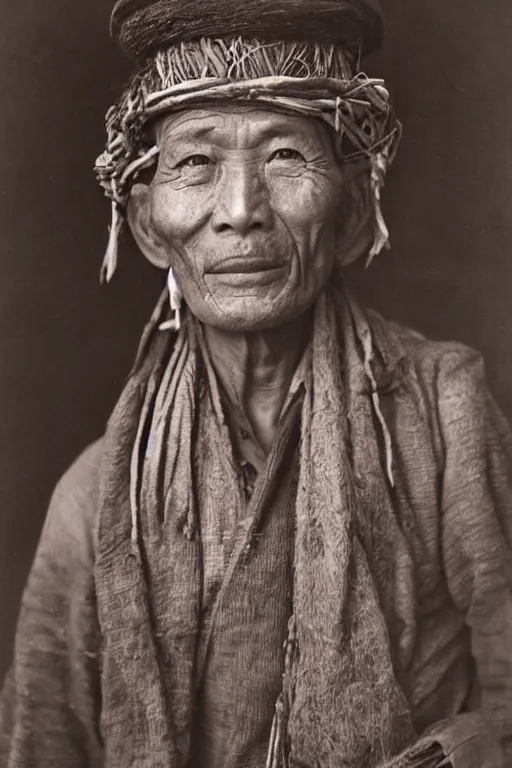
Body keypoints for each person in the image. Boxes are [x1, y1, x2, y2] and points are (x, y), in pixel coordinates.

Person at [1, 0, 512, 766]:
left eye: (284, 157)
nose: (240, 212)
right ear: (146, 225)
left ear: (352, 209)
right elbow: (41, 745)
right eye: (196, 164)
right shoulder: (98, 503)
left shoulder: (442, 417)